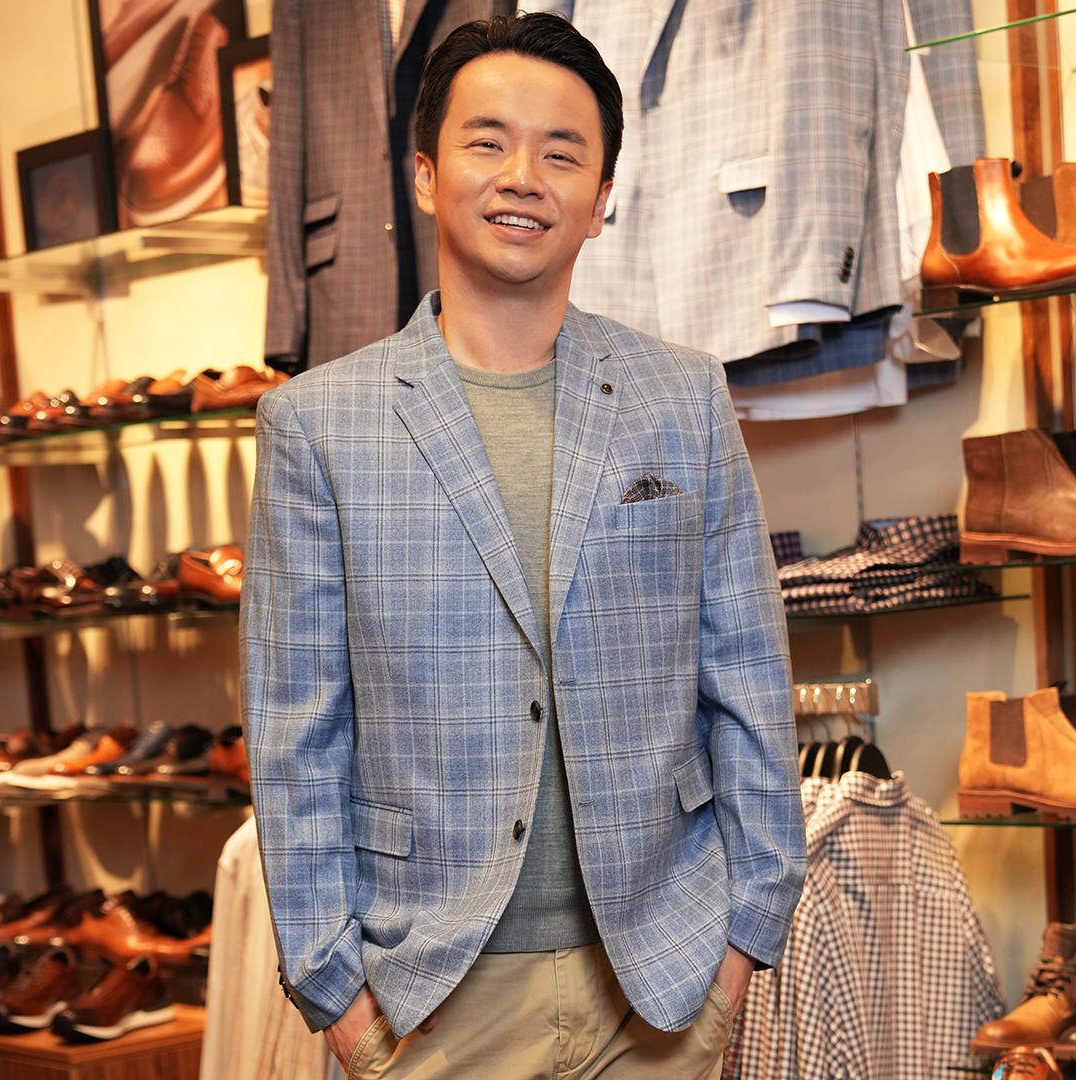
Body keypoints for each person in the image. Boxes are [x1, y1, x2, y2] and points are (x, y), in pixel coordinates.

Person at [242, 12, 806, 1079]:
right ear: (424, 174)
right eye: (488, 142)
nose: (522, 178)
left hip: (662, 984)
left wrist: (745, 941)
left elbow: (746, 675)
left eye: (561, 153)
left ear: (602, 198)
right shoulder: (316, 424)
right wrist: (336, 996)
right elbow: (294, 730)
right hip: (429, 999)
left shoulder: (682, 397)